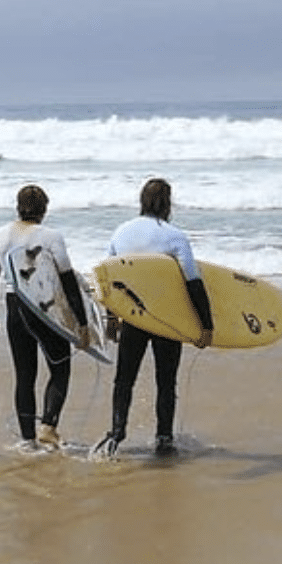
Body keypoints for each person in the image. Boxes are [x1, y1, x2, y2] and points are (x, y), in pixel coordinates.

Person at [91, 178, 214, 459]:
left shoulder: (122, 232)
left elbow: (109, 281)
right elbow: (193, 283)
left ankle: (116, 433)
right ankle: (163, 438)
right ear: (168, 203)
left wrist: (112, 319)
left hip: (134, 317)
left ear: (142, 201)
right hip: (168, 320)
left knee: (124, 380)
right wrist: (206, 325)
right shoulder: (174, 236)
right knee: (166, 381)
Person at [0, 184, 92, 453]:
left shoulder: (0, 235)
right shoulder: (51, 236)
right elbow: (67, 280)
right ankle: (48, 426)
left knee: (24, 374)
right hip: (46, 306)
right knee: (60, 368)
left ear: (18, 207)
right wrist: (83, 323)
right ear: (44, 209)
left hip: (15, 307)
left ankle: (28, 440)